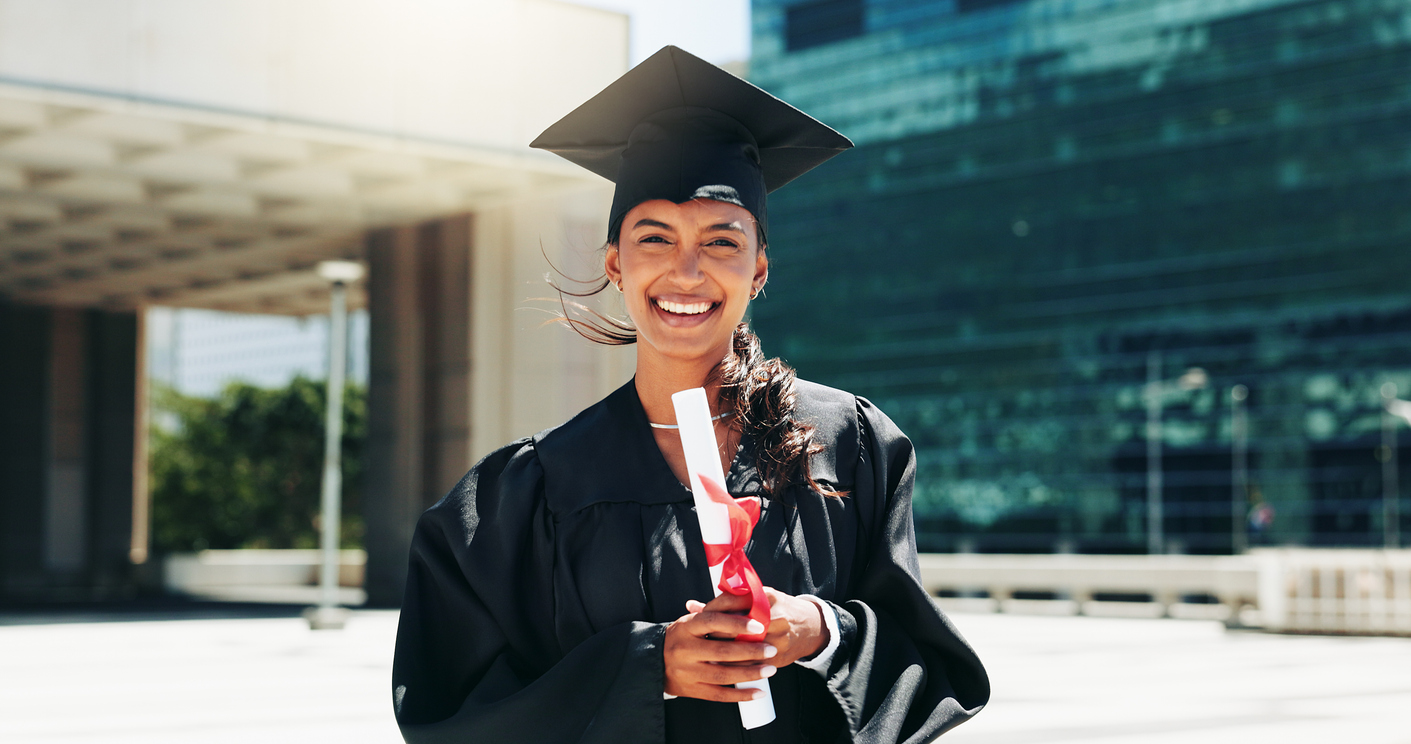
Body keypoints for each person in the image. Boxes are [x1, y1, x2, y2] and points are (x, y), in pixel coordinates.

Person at [391, 46, 989, 744]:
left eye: (720, 240)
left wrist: (820, 631)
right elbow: (448, 710)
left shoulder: (850, 443)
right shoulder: (525, 493)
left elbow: (929, 664)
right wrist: (648, 667)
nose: (686, 270)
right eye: (654, 237)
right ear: (616, 262)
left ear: (758, 268)